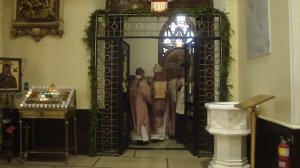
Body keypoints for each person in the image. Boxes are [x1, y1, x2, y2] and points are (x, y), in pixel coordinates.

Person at [129, 67, 152, 144]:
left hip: (133, 104)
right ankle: (144, 139)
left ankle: (137, 138)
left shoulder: (132, 82)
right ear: (142, 74)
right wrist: (150, 101)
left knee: (136, 119)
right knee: (142, 120)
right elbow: (147, 94)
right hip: (141, 104)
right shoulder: (142, 83)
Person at [150, 64, 171, 141]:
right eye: (156, 74)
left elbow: (168, 92)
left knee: (162, 120)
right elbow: (149, 93)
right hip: (155, 104)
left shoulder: (165, 82)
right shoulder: (152, 82)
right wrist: (153, 93)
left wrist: (166, 92)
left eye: (159, 74)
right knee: (155, 120)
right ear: (155, 74)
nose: (158, 75)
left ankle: (161, 136)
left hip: (163, 103)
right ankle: (154, 137)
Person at [174, 63, 185, 144]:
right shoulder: (179, 80)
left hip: (185, 103)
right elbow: (177, 90)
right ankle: (179, 137)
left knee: (184, 120)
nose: (181, 72)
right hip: (180, 103)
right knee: (180, 120)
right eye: (180, 70)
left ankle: (184, 137)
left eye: (182, 70)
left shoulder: (188, 79)